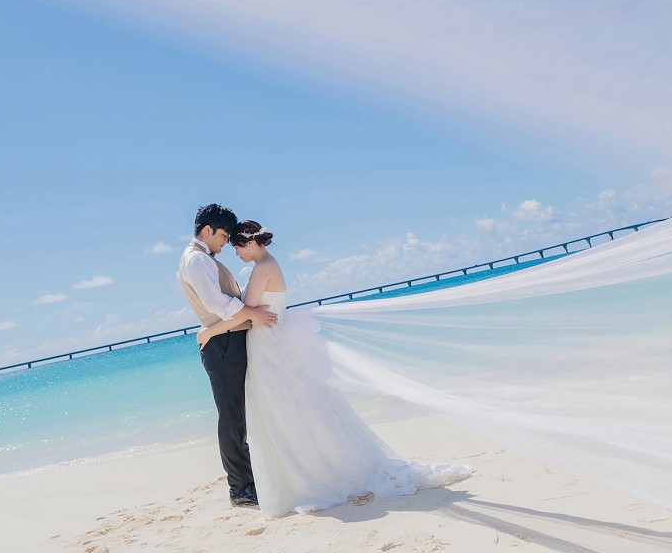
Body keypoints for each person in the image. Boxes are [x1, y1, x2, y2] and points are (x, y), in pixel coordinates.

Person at [196, 219, 471, 517]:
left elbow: (245, 311)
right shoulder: (265, 265)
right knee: (284, 409)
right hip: (268, 344)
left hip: (270, 346)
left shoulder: (263, 267)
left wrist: (210, 332)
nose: (236, 254)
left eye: (237, 247)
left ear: (249, 243)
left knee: (285, 409)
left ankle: (309, 473)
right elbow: (249, 311)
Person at [177, 203, 279, 507]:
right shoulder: (196, 259)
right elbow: (216, 304)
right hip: (222, 343)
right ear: (208, 230)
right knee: (232, 416)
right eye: (223, 235)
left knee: (238, 414)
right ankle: (240, 488)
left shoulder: (204, 259)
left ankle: (248, 480)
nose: (225, 242)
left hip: (227, 339)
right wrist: (252, 313)